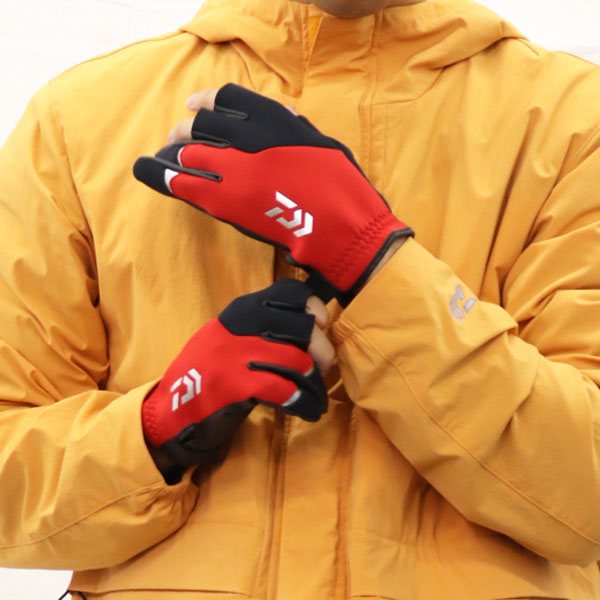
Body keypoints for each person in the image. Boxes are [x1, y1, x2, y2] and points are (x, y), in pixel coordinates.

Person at [1, 0, 600, 598]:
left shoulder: (575, 123)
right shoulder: (78, 121)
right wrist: (160, 424)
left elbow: (584, 497)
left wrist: (372, 257)